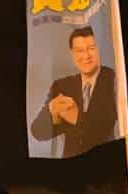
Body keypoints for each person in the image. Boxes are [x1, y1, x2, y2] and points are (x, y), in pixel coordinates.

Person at [30, 27, 118, 158]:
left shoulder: (113, 79)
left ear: (99, 49)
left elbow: (104, 131)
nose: (86, 56)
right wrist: (52, 112)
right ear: (72, 54)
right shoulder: (62, 86)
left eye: (91, 48)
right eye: (79, 50)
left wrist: (77, 117)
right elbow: (37, 132)